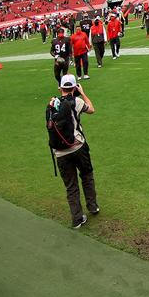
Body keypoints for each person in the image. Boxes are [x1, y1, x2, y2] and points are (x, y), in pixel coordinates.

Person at [50, 74, 99, 229]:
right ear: (74, 87)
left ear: (60, 88)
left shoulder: (52, 103)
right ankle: (92, 206)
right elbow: (91, 109)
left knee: (71, 186)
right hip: (78, 147)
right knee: (87, 175)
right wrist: (83, 93)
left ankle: (77, 219)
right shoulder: (76, 101)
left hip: (60, 151)